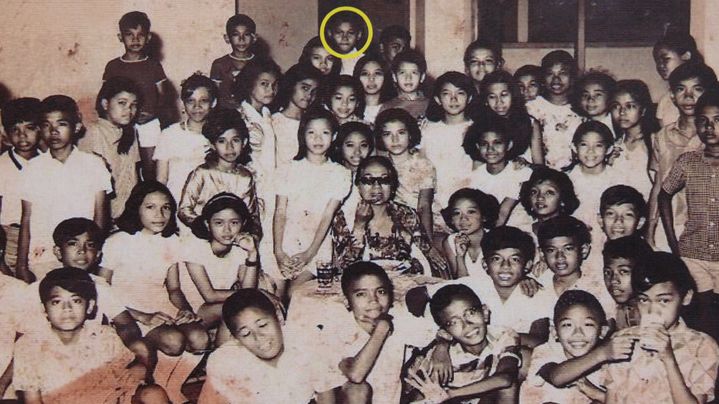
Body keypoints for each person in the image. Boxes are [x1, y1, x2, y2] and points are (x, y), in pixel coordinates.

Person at [103, 181, 209, 357]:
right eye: (150, 207)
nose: (160, 215)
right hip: (128, 310)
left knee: (200, 339)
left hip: (160, 306)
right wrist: (142, 316)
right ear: (136, 208)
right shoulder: (117, 241)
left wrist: (185, 310)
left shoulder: (171, 240)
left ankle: (171, 379)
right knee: (174, 342)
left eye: (166, 207)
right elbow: (101, 289)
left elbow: (174, 289)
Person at [13, 268, 151, 403]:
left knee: (152, 394)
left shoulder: (104, 337)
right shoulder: (29, 345)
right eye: (56, 302)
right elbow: (32, 400)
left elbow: (125, 383)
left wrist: (139, 368)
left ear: (90, 306)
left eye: (76, 301)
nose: (67, 308)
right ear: (44, 309)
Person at [17, 95, 112, 282]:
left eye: (61, 124)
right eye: (46, 125)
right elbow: (26, 219)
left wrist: (93, 259)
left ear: (76, 127)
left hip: (81, 257)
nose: (53, 131)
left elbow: (100, 218)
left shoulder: (94, 165)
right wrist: (21, 265)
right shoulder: (32, 168)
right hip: (42, 258)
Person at [603, 252, 719, 403]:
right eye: (644, 300)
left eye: (663, 301)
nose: (652, 310)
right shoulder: (622, 341)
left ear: (686, 298)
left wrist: (668, 359)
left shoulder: (702, 346)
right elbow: (611, 399)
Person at [311, 261, 432, 403]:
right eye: (361, 294)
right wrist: (382, 329)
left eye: (381, 292)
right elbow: (355, 376)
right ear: (346, 301)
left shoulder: (400, 320)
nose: (373, 300)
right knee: (358, 390)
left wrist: (442, 347)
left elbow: (434, 330)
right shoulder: (337, 331)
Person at [660, 88, 719, 339]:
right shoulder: (688, 161)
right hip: (693, 254)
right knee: (703, 315)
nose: (709, 127)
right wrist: (674, 242)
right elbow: (664, 194)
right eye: (703, 121)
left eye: (717, 121)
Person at [273, 108, 351, 297]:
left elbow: (327, 217)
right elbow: (280, 212)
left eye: (324, 133)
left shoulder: (340, 174)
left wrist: (309, 253)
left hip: (316, 245)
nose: (318, 139)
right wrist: (279, 252)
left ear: (333, 137)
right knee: (273, 293)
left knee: (296, 293)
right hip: (284, 241)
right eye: (311, 133)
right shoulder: (288, 168)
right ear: (303, 135)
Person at [331, 156, 449, 278]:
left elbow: (426, 251)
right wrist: (359, 226)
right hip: (363, 282)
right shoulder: (344, 217)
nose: (376, 187)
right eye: (368, 180)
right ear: (358, 185)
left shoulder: (405, 214)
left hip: (405, 281)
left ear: (392, 185)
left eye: (384, 180)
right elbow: (345, 265)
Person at [198, 289, 318, 403]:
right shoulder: (227, 363)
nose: (258, 337)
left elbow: (326, 391)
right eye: (246, 334)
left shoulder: (305, 343)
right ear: (236, 338)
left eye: (262, 325)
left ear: (279, 317)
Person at [406, 283, 521, 403]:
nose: (467, 325)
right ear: (446, 332)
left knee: (508, 387)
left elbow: (506, 378)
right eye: (453, 322)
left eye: (471, 313)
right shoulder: (440, 359)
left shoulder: (503, 335)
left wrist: (451, 394)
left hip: (475, 398)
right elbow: (420, 393)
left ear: (485, 313)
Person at [648, 63, 717, 250]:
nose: (688, 97)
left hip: (708, 225)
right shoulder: (661, 136)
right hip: (669, 224)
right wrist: (650, 229)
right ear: (671, 95)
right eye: (681, 89)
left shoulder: (713, 138)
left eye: (697, 89)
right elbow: (658, 185)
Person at [183, 193, 260, 346]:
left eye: (234, 223)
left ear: (243, 224)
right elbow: (210, 296)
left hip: (214, 309)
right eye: (219, 223)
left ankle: (219, 357)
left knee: (241, 308)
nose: (227, 230)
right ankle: (217, 358)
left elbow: (248, 291)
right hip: (189, 311)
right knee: (235, 308)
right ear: (207, 224)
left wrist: (252, 253)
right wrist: (257, 294)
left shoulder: (241, 249)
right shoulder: (194, 247)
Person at [178, 108, 261, 239]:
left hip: (232, 239)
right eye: (222, 141)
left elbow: (252, 216)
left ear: (244, 142)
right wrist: (207, 229)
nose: (229, 147)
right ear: (212, 144)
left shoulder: (245, 177)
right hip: (202, 239)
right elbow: (184, 210)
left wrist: (252, 236)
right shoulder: (202, 173)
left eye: (235, 140)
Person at [520, 290, 614, 404]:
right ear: (554, 332)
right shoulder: (546, 352)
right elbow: (556, 377)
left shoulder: (610, 364)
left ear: (603, 331)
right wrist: (601, 354)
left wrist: (593, 391)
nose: (578, 333)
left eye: (588, 324)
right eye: (567, 325)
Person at [103, 11, 168, 172]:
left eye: (140, 35)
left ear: (148, 38)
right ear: (120, 37)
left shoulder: (154, 66)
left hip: (148, 122)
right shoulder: (113, 66)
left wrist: (153, 114)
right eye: (129, 35)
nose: (135, 39)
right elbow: (105, 98)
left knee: (151, 166)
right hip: (121, 123)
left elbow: (164, 98)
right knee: (123, 165)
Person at [80, 77, 145, 219]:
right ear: (105, 104)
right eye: (122, 103)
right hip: (102, 216)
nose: (129, 110)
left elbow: (134, 175)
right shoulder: (93, 133)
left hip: (128, 214)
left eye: (134, 105)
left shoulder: (131, 132)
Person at [532, 216, 615, 317]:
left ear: (584, 251)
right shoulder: (536, 282)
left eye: (568, 249)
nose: (560, 257)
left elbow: (608, 325)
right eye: (551, 250)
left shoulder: (598, 288)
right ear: (542, 254)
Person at [374, 108, 437, 238]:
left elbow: (424, 206)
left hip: (424, 223)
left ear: (410, 134)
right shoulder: (380, 165)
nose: (395, 139)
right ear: (380, 137)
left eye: (401, 133)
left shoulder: (423, 164)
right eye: (387, 134)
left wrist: (427, 242)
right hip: (391, 225)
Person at [155, 73, 216, 204]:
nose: (197, 106)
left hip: (209, 208)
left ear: (214, 103)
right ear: (183, 104)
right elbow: (161, 180)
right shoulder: (169, 135)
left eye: (203, 101)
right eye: (191, 101)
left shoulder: (220, 137)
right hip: (176, 205)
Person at [421, 71, 476, 214]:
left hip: (468, 202)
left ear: (469, 98)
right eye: (446, 94)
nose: (453, 99)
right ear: (438, 99)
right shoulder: (428, 130)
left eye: (460, 93)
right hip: (435, 204)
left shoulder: (476, 130)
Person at [464, 116, 533, 226]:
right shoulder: (476, 176)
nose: (490, 149)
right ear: (477, 146)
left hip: (519, 231)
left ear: (509, 145)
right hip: (489, 232)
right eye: (484, 144)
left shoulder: (520, 173)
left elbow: (503, 213)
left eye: (497, 143)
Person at [0, 97, 42, 272]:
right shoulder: (2, 166)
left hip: (41, 235)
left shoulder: (48, 163)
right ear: (6, 134)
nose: (22, 135)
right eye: (15, 130)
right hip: (9, 237)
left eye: (29, 128)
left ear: (41, 129)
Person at [526, 50, 583, 169]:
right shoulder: (531, 108)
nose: (556, 79)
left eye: (563, 73)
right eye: (550, 73)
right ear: (542, 78)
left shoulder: (581, 108)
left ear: (572, 77)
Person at [474, 70, 543, 164]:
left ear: (513, 95)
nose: (499, 102)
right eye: (492, 97)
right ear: (485, 100)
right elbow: (477, 165)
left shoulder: (530, 123)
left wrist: (527, 165)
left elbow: (539, 166)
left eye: (504, 95)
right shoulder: (481, 124)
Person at [566, 121, 619, 242]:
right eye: (584, 144)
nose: (591, 151)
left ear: (609, 149)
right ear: (574, 147)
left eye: (598, 145)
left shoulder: (618, 179)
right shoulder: (565, 180)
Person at [233, 57, 281, 192]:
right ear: (249, 84)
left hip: (270, 183)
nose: (271, 90)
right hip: (249, 185)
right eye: (264, 84)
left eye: (275, 84)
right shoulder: (240, 118)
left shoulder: (268, 115)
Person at [608, 79, 660, 199]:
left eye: (630, 106)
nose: (622, 112)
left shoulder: (654, 142)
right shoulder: (615, 144)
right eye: (616, 106)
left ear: (643, 110)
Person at [441, 188, 499, 279]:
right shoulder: (451, 241)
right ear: (451, 219)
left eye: (471, 212)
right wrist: (460, 257)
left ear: (484, 216)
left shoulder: (497, 239)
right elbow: (460, 283)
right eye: (457, 213)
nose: (463, 218)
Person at [271, 63, 321, 167]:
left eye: (314, 91)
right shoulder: (274, 122)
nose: (309, 95)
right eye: (305, 88)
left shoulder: (314, 122)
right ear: (291, 85)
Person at [653, 30, 703, 127]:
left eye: (666, 59)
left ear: (686, 56)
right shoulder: (665, 101)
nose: (660, 65)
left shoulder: (706, 94)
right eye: (657, 61)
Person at [602, 235, 653, 330]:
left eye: (624, 271)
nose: (613, 280)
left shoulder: (653, 311)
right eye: (608, 272)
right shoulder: (622, 309)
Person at [210, 14, 258, 109]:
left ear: (254, 38)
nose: (241, 39)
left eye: (246, 34)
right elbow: (213, 96)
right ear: (227, 38)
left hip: (254, 114)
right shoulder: (219, 64)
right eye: (236, 35)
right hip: (228, 115)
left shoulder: (261, 63)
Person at [378, 49, 430, 119]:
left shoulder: (430, 105)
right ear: (394, 77)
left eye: (414, 73)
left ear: (422, 77)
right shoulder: (387, 107)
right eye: (402, 73)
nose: (408, 78)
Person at [573, 71, 617, 137]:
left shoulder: (617, 125)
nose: (590, 100)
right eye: (585, 95)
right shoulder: (577, 123)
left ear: (610, 97)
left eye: (598, 95)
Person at [353, 53, 393, 124]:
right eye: (365, 74)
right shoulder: (350, 108)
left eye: (377, 73)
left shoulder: (393, 107)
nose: (371, 79)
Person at [325, 10, 366, 75]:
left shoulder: (364, 61)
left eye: (350, 33)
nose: (345, 38)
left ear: (359, 35)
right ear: (330, 33)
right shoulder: (324, 60)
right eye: (339, 32)